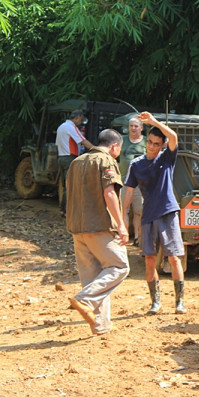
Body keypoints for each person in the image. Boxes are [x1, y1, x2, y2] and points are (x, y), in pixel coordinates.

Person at [65, 129, 129, 336]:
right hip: (99, 226)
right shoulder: (107, 161)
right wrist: (121, 224)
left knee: (93, 276)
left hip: (77, 227)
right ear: (114, 146)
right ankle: (84, 299)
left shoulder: (76, 162)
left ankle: (100, 324)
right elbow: (109, 193)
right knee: (119, 267)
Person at [123, 112, 187, 315]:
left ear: (162, 145)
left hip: (168, 213)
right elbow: (129, 192)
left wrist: (153, 122)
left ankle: (179, 302)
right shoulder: (136, 165)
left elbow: (174, 137)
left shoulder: (167, 159)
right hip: (148, 216)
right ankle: (155, 302)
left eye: (156, 143)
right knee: (149, 259)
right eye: (149, 142)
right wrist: (122, 215)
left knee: (174, 258)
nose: (151, 146)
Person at [57, 110, 94, 216]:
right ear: (77, 118)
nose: (81, 122)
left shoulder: (61, 127)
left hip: (61, 157)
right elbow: (83, 140)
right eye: (81, 120)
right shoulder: (71, 127)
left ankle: (63, 209)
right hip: (70, 158)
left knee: (66, 185)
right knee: (71, 185)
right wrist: (96, 149)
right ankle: (67, 211)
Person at [118, 116, 146, 245]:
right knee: (124, 210)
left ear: (141, 128)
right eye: (131, 126)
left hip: (141, 183)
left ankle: (137, 237)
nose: (133, 128)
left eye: (136, 126)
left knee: (138, 211)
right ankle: (123, 236)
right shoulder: (122, 141)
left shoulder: (146, 142)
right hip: (124, 181)